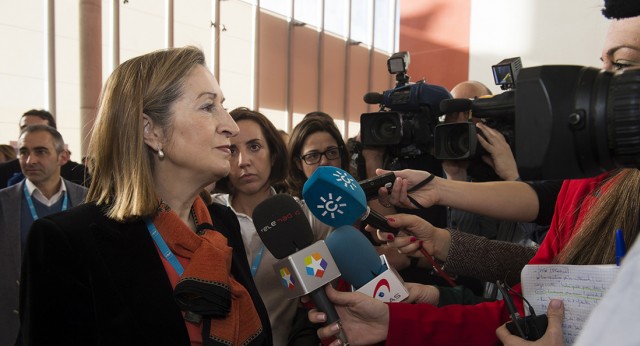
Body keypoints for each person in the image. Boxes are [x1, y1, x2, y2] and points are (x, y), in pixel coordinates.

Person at [307, 12, 640, 345]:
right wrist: (400, 318)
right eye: (603, 63)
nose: (603, 81)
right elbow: (523, 303)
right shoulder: (587, 183)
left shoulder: (572, 177)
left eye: (622, 64)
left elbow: (532, 223)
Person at [19, 46, 272, 345]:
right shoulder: (68, 243)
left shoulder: (222, 224)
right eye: (208, 107)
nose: (230, 126)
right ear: (150, 130)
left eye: (223, 106)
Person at [212, 107, 330, 345]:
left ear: (274, 154)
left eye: (254, 147)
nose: (244, 161)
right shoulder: (208, 214)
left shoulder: (303, 216)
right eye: (232, 150)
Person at [0, 125, 88, 346]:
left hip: (77, 325)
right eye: (24, 152)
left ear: (62, 157)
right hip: (16, 329)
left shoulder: (89, 201)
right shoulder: (3, 204)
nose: (30, 161)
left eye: (40, 151)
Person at [0, 109, 89, 187]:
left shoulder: (80, 174)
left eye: (38, 128)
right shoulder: (4, 172)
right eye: (24, 128)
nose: (31, 161)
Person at [286, 116, 351, 198]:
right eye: (313, 156)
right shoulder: (292, 208)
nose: (324, 162)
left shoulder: (356, 202)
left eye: (332, 152)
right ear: (298, 163)